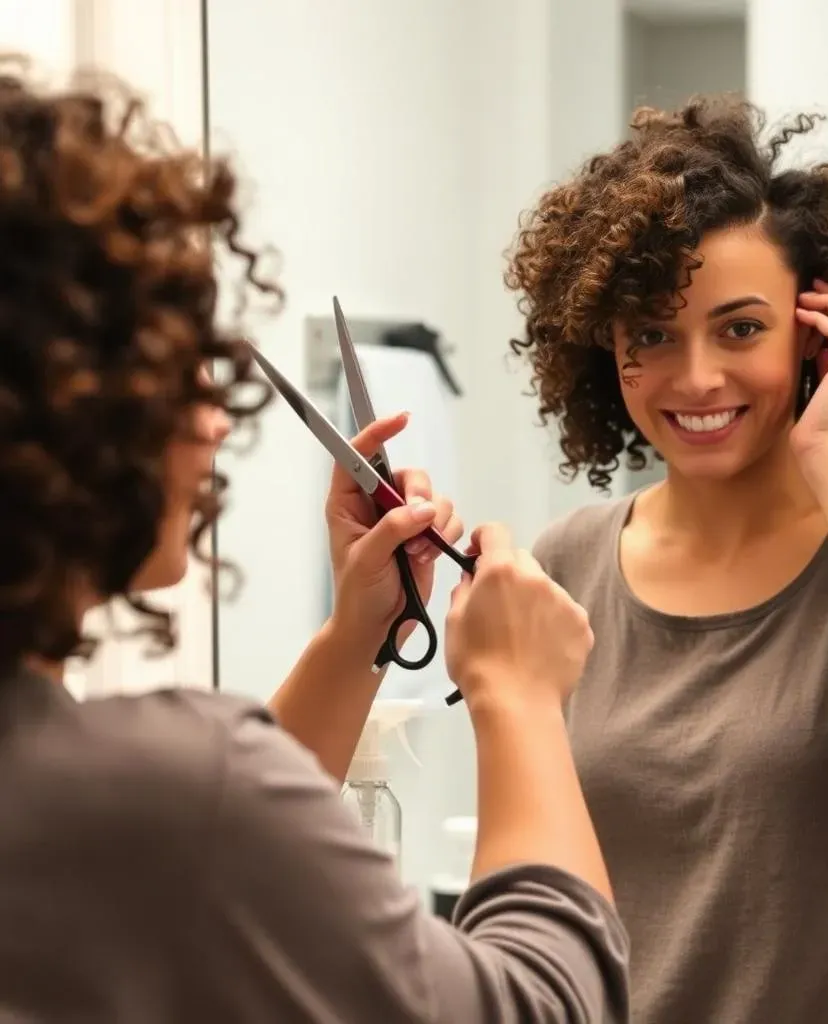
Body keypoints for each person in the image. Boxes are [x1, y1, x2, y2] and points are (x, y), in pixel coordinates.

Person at [0, 62, 630, 1022]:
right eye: (172, 369)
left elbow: (205, 864)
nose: (216, 424)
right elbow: (543, 1006)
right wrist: (519, 699)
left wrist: (356, 641)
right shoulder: (161, 790)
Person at [505, 95, 828, 1023]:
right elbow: (540, 886)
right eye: (652, 336)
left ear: (819, 332)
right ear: (605, 351)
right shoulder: (566, 564)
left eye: (741, 328)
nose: (696, 377)